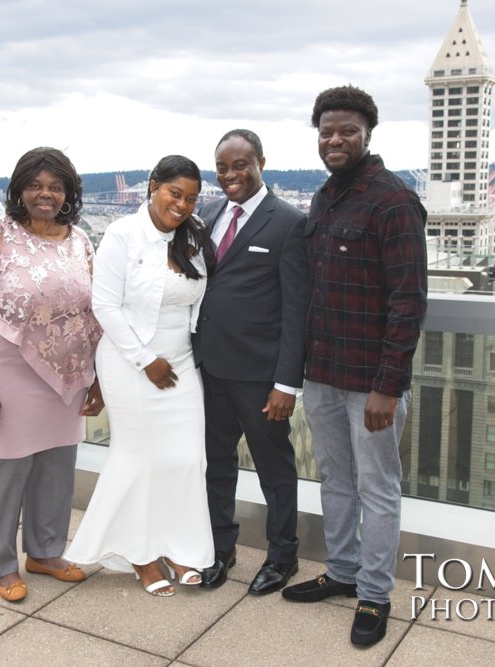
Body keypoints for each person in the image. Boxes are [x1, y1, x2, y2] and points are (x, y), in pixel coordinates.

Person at [280, 85, 427, 647]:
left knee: (378, 489)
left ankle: (375, 593)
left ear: (368, 134)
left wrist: (388, 388)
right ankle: (341, 573)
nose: (334, 139)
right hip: (322, 375)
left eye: (346, 131)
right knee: (335, 481)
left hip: (370, 384)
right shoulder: (325, 198)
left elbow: (408, 302)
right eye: (326, 131)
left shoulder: (392, 201)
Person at [0, 147, 103, 604]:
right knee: (9, 470)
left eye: (55, 186)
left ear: (68, 192)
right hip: (9, 372)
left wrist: (96, 379)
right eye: (35, 185)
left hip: (69, 373)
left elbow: (95, 313)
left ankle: (46, 553)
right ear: (19, 189)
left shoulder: (80, 240)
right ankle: (5, 565)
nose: (45, 194)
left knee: (57, 467)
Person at [65, 155, 215, 597]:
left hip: (181, 361)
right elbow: (105, 305)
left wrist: (172, 357)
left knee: (187, 458)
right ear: (153, 186)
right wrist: (145, 359)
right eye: (175, 193)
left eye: (191, 198)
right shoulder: (122, 234)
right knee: (139, 458)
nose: (183, 204)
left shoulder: (194, 236)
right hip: (132, 363)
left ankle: (176, 545)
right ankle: (141, 555)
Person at [192, 129, 308, 594]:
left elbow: (298, 310)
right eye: (222, 168)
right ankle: (221, 550)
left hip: (260, 376)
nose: (230, 175)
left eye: (240, 164)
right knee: (215, 463)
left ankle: (283, 557)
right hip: (210, 368)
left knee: (273, 470)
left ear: (261, 161)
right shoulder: (209, 212)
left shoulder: (288, 222)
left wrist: (286, 384)